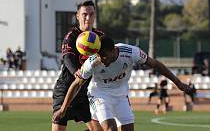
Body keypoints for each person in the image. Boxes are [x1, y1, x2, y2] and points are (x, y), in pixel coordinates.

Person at [52, 37, 193, 131]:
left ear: (114, 50)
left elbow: (155, 64)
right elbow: (76, 84)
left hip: (121, 95)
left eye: (105, 57)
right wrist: (63, 109)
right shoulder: (93, 61)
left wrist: (178, 83)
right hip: (99, 95)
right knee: (110, 129)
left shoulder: (131, 52)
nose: (103, 61)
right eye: (100, 57)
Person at [51, 0, 104, 131]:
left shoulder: (100, 37)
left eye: (91, 14)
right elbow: (67, 58)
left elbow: (109, 56)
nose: (88, 17)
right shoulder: (71, 36)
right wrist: (77, 72)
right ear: (78, 16)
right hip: (66, 89)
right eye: (84, 14)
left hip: (86, 92)